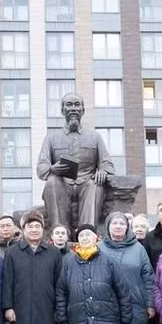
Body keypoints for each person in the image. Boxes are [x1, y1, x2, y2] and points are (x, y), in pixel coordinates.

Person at [37, 93, 116, 231]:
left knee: (95, 185)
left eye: (77, 105)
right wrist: (52, 169)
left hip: (86, 182)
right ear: (62, 110)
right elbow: (41, 167)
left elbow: (107, 163)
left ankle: (86, 233)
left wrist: (103, 171)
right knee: (52, 182)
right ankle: (60, 232)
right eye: (69, 105)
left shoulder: (95, 137)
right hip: (62, 183)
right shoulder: (51, 138)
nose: (73, 108)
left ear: (83, 110)